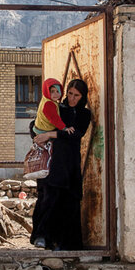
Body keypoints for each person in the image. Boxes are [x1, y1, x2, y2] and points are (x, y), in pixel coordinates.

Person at [30, 77, 92, 251]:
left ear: (83, 96)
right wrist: (40, 136)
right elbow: (36, 124)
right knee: (49, 200)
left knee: (70, 203)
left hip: (71, 164)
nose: (72, 98)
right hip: (53, 163)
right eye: (70, 94)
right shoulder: (57, 107)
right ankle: (44, 238)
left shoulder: (84, 114)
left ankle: (66, 244)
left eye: (77, 95)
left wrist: (51, 134)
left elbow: (76, 134)